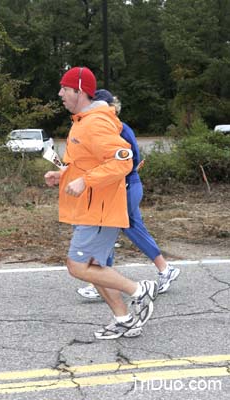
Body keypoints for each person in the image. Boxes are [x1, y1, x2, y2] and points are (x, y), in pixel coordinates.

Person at [44, 66, 158, 340]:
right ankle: (124, 319)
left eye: (65, 88)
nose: (60, 93)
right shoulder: (82, 120)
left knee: (77, 266)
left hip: (99, 208)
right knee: (95, 267)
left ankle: (140, 290)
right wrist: (63, 175)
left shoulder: (96, 121)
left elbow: (123, 159)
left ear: (80, 91)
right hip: (91, 206)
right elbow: (88, 163)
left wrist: (85, 182)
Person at [77, 89, 180, 300]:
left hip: (125, 187)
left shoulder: (118, 128)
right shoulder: (107, 128)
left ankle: (101, 282)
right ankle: (165, 269)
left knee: (107, 229)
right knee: (129, 228)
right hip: (122, 187)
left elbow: (128, 161)